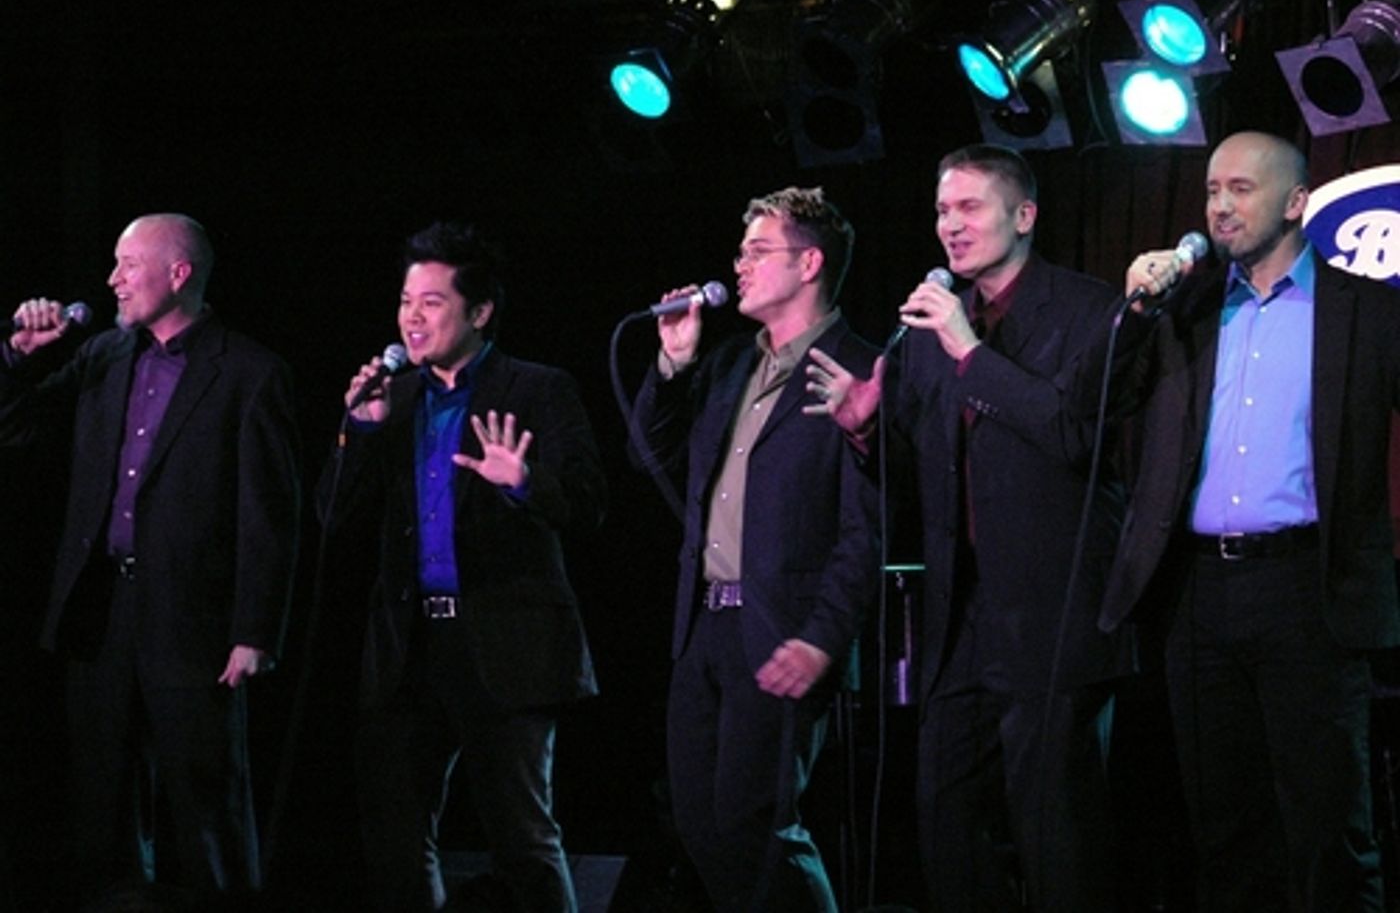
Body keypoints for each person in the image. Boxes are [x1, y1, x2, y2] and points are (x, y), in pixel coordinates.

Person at [805, 145, 1130, 911]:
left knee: (1056, 830)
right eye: (942, 210)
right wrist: (866, 431)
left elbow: (1074, 435)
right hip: (959, 616)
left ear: (1025, 215)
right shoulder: (928, 330)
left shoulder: (1088, 310)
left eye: (970, 207)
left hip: (1053, 614)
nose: (950, 225)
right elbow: (916, 486)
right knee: (945, 820)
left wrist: (970, 350)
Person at [1102, 130, 1400, 910]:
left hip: (1309, 591)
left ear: (1295, 202)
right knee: (1226, 834)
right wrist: (1135, 313)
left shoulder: (1366, 309)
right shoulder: (1187, 309)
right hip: (1198, 596)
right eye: (1211, 190)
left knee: (1328, 830)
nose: (1220, 207)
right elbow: (1096, 406)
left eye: (1241, 189)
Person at [0, 214, 301, 904]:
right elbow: (14, 429)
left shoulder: (249, 373)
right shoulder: (104, 356)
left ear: (178, 273)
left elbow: (270, 517)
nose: (113, 279)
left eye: (128, 264)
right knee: (103, 805)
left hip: (194, 622)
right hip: (102, 614)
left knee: (207, 808)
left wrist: (255, 631)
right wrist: (17, 354)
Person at [323, 220, 605, 912]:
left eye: (432, 303)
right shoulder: (395, 399)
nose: (412, 319)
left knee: (523, 838)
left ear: (479, 312)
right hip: (408, 647)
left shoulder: (539, 388)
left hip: (505, 641)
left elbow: (589, 504)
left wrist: (525, 482)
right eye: (405, 302)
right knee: (398, 838)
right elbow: (331, 519)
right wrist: (362, 429)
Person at [629, 185, 879, 912]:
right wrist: (673, 365)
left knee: (756, 823)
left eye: (757, 250)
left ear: (809, 264)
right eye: (741, 251)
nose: (738, 264)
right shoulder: (728, 364)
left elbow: (867, 526)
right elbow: (648, 456)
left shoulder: (858, 368)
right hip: (704, 625)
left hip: (784, 629)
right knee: (700, 823)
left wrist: (825, 637)